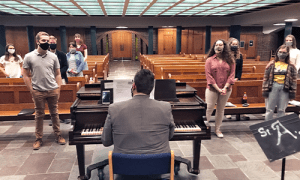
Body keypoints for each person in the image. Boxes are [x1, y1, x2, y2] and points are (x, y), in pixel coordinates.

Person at [22, 31, 66, 150]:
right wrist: (31, 90)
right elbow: (25, 74)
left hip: (52, 89)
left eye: (48, 41)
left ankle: (58, 135)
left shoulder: (53, 56)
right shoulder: (29, 56)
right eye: (44, 41)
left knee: (55, 113)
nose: (46, 43)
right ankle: (38, 138)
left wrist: (58, 88)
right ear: (37, 42)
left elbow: (58, 73)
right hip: (38, 90)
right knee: (39, 115)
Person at [205, 39, 235, 138]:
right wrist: (218, 89)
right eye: (216, 45)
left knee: (220, 109)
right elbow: (208, 75)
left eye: (220, 45)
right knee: (209, 108)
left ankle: (217, 129)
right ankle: (205, 127)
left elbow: (232, 75)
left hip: (226, 88)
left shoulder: (230, 60)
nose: (218, 46)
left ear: (224, 47)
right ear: (214, 47)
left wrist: (225, 87)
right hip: (212, 88)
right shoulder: (209, 60)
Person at [263, 44, 297, 121]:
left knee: (281, 110)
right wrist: (265, 90)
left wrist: (292, 93)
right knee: (269, 109)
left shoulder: (291, 66)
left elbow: (294, 81)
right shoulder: (271, 64)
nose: (282, 54)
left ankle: (280, 128)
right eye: (280, 52)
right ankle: (268, 126)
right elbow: (265, 78)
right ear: (277, 52)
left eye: (284, 52)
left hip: (285, 88)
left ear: (287, 54)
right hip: (273, 86)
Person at [226, 38, 250, 120]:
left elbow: (240, 68)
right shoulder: (226, 55)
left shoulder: (239, 55)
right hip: (227, 78)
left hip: (236, 78)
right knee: (228, 96)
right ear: (229, 45)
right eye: (233, 44)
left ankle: (241, 111)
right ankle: (228, 112)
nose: (235, 46)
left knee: (237, 95)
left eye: (236, 44)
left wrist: (237, 77)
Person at [49, 35, 70, 125]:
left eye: (54, 42)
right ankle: (53, 117)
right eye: (51, 43)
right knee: (52, 99)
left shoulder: (61, 54)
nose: (52, 44)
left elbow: (66, 66)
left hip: (61, 78)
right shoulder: (45, 55)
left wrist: (58, 74)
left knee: (62, 97)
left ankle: (63, 116)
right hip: (49, 79)